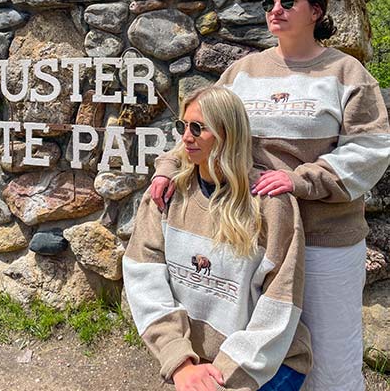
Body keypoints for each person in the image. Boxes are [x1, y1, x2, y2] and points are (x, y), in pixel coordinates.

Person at [150, 0, 390, 391]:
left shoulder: (347, 74)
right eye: (268, 3)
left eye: (287, 1)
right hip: (256, 240)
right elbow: (204, 124)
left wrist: (301, 180)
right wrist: (169, 169)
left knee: (332, 363)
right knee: (267, 358)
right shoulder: (244, 72)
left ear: (316, 10)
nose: (274, 10)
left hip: (323, 242)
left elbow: (370, 150)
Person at [123, 86, 312, 391]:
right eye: (182, 126)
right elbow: (144, 280)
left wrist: (221, 374)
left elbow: (280, 305)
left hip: (267, 364)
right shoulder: (166, 196)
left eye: (198, 128)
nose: (186, 137)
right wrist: (180, 361)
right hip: (196, 364)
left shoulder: (270, 205)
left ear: (228, 133)